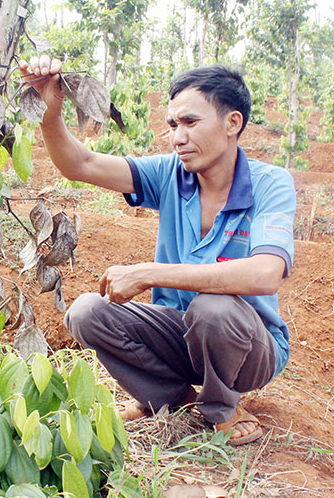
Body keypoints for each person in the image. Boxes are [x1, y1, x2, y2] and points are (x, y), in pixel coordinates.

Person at [18, 55, 296, 446]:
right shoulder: (171, 173)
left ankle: (223, 406)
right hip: (179, 335)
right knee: (86, 312)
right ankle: (174, 398)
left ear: (233, 123)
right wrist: (50, 113)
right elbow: (81, 164)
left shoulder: (270, 184)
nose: (177, 137)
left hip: (247, 347)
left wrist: (148, 273)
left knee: (212, 309)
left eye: (190, 122)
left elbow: (265, 274)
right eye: (172, 125)